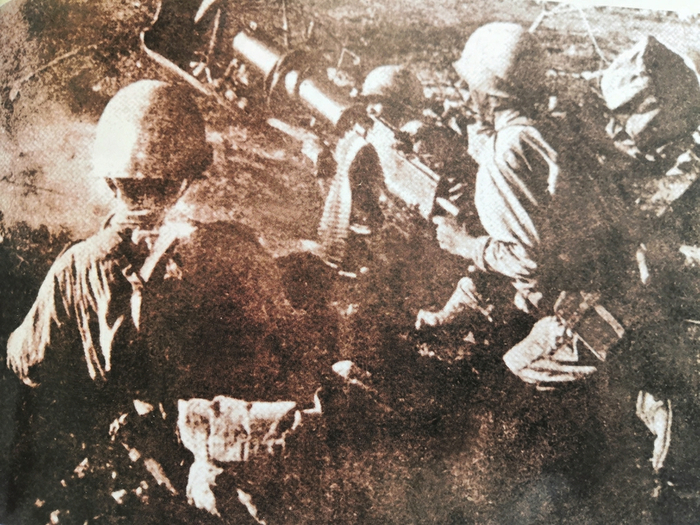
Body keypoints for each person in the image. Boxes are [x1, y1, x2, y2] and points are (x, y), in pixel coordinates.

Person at [5, 79, 326, 523]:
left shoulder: (74, 268)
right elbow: (294, 344)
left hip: (154, 471)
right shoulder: (233, 250)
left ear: (109, 180)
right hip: (230, 468)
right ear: (189, 176)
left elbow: (29, 363)